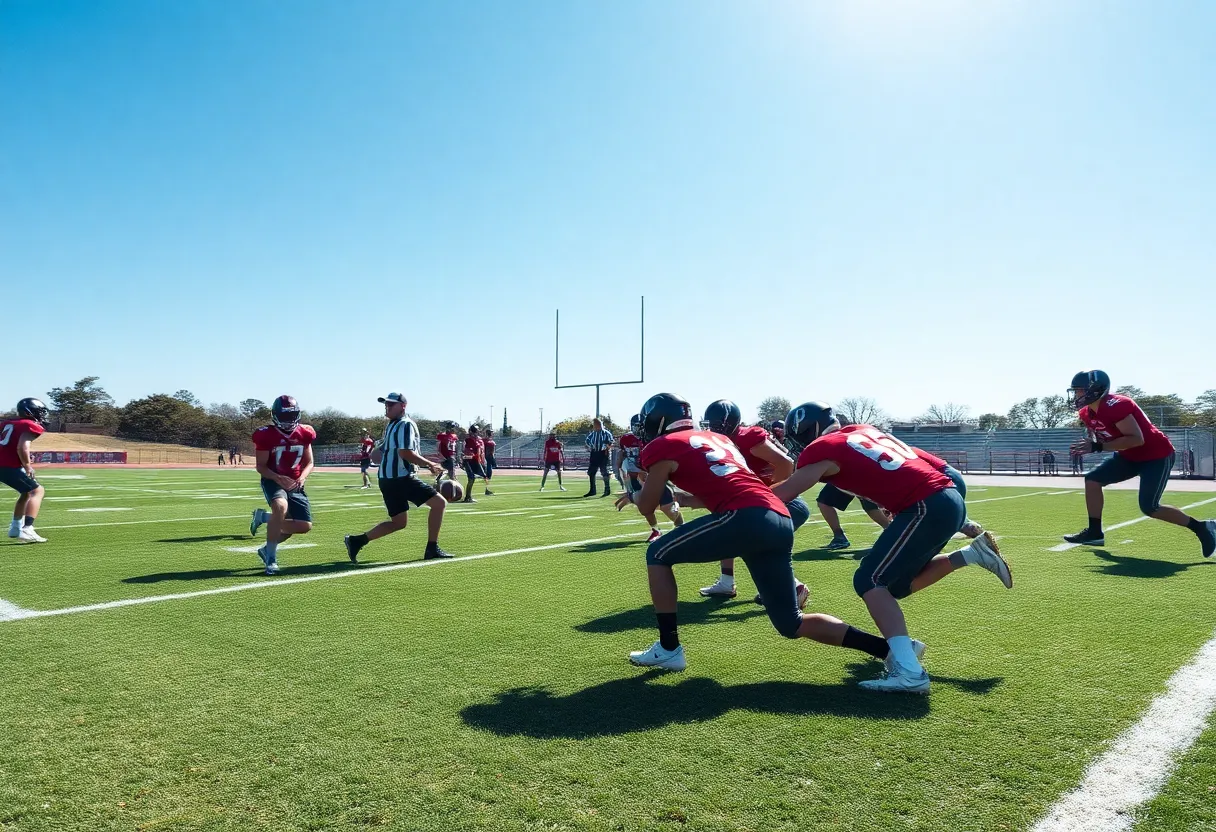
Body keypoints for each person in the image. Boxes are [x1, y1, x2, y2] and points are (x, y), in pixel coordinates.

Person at [617, 393, 898, 674]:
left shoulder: (662, 446)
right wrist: (683, 497)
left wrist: (634, 493)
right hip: (777, 515)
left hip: (745, 517)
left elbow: (647, 505)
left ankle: (668, 648)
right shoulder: (720, 439)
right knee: (791, 623)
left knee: (657, 553)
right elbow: (724, 487)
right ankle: (891, 650)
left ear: (658, 420)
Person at [772, 402, 1013, 695]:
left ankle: (910, 672)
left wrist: (737, 500)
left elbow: (786, 492)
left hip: (925, 505)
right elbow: (939, 467)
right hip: (943, 498)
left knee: (869, 580)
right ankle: (972, 554)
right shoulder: (866, 430)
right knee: (896, 586)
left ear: (807, 429)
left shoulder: (822, 447)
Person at [1063, 371, 1215, 556]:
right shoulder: (1086, 413)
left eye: (1080, 390)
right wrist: (1089, 445)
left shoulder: (1117, 405)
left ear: (1096, 390)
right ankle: (1094, 532)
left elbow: (1136, 439)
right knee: (1093, 480)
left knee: (1150, 507)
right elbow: (1102, 434)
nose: (1077, 395)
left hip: (1155, 455)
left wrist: (1097, 446)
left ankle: (1202, 528)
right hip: (1128, 456)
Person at [696, 400, 809, 607]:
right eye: (711, 424)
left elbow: (786, 463)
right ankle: (727, 582)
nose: (713, 429)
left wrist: (769, 495)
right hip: (761, 504)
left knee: (750, 544)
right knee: (727, 527)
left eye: (717, 424)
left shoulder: (746, 437)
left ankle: (793, 588)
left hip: (782, 504)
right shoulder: (722, 440)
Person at [344, 392, 452, 563]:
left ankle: (356, 541)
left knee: (399, 522)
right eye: (386, 404)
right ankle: (432, 548)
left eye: (390, 404)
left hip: (387, 479)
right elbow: (405, 452)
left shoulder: (392, 426)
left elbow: (376, 455)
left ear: (403, 406)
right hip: (401, 478)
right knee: (439, 503)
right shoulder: (405, 425)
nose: (387, 407)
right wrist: (429, 464)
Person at [247, 395, 316, 575]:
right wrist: (278, 478)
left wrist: (302, 478)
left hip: (295, 482)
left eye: (291, 416)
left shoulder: (305, 432)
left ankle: (263, 519)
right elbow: (261, 466)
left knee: (303, 526)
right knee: (280, 507)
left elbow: (309, 463)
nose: (289, 421)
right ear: (275, 416)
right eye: (284, 417)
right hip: (273, 479)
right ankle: (271, 558)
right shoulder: (265, 435)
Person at [615, 413, 684, 543]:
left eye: (640, 426)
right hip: (634, 476)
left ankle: (681, 526)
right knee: (643, 504)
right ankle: (656, 530)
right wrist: (618, 468)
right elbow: (622, 454)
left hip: (652, 475)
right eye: (636, 426)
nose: (638, 429)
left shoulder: (653, 439)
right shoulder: (626, 439)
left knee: (667, 508)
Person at [1, 398, 49, 543]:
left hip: (3, 464)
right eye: (39, 412)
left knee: (26, 492)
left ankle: (15, 528)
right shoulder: (29, 425)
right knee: (37, 491)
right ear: (30, 412)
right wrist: (27, 465)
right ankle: (27, 528)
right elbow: (22, 446)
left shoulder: (7, 423)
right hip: (7, 466)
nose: (41, 415)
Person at [461, 424, 492, 501]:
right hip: (469, 461)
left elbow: (480, 453)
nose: (476, 433)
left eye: (477, 431)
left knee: (482, 477)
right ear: (471, 431)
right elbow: (465, 453)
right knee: (471, 478)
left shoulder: (479, 440)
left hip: (476, 461)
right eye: (475, 431)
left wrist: (481, 460)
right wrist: (465, 459)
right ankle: (467, 497)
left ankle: (469, 496)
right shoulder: (468, 440)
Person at [584, 418, 614, 497]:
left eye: (595, 424)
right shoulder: (593, 434)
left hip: (603, 454)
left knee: (604, 471)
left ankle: (607, 489)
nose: (594, 426)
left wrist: (608, 446)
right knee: (591, 472)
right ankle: (592, 490)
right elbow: (587, 440)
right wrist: (589, 446)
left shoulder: (606, 433)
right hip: (594, 453)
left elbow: (611, 442)